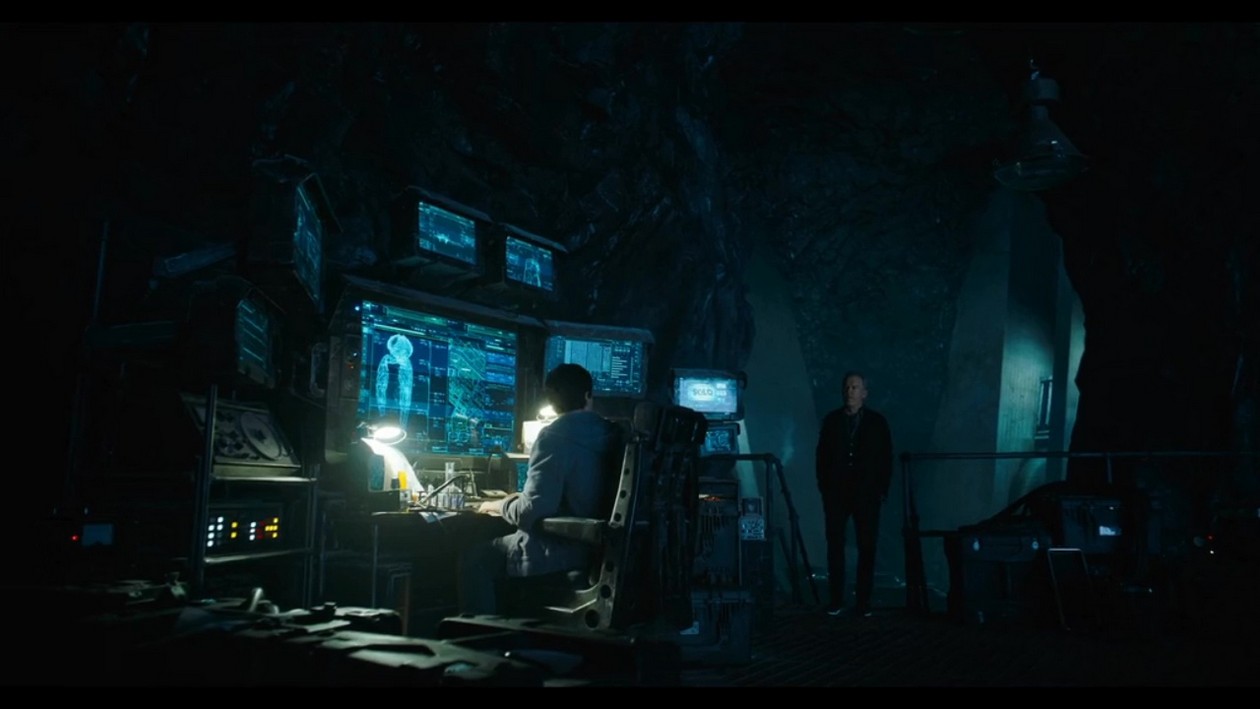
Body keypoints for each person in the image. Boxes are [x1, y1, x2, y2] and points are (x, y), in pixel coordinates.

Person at [457, 363, 622, 616]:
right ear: (589, 395)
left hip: (558, 553)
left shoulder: (554, 437)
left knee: (475, 560)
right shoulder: (615, 434)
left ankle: (479, 637)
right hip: (601, 556)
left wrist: (499, 504)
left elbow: (532, 510)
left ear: (552, 402)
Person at [815, 371, 893, 617]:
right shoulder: (832, 421)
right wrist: (825, 487)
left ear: (864, 393)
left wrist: (881, 490)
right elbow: (821, 457)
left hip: (867, 495)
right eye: (847, 387)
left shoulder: (877, 423)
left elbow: (886, 458)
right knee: (835, 546)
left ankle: (863, 602)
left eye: (855, 387)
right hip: (837, 494)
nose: (850, 391)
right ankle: (837, 599)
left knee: (866, 547)